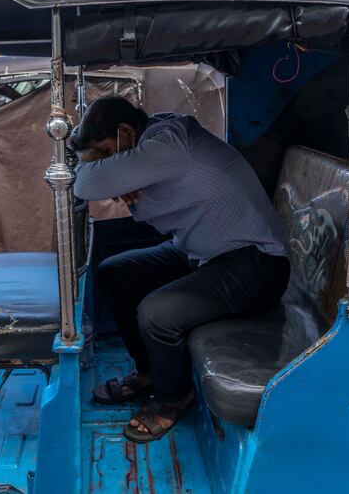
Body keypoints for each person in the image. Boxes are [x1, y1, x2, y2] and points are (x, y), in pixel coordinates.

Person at [72, 96, 290, 443]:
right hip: (202, 252)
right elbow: (93, 180)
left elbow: (84, 184)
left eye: (104, 153)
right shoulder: (149, 144)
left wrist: (112, 173)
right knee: (113, 274)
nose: (104, 164)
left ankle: (172, 398)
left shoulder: (168, 143)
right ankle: (148, 372)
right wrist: (117, 171)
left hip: (256, 264)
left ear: (126, 131)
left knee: (156, 315)